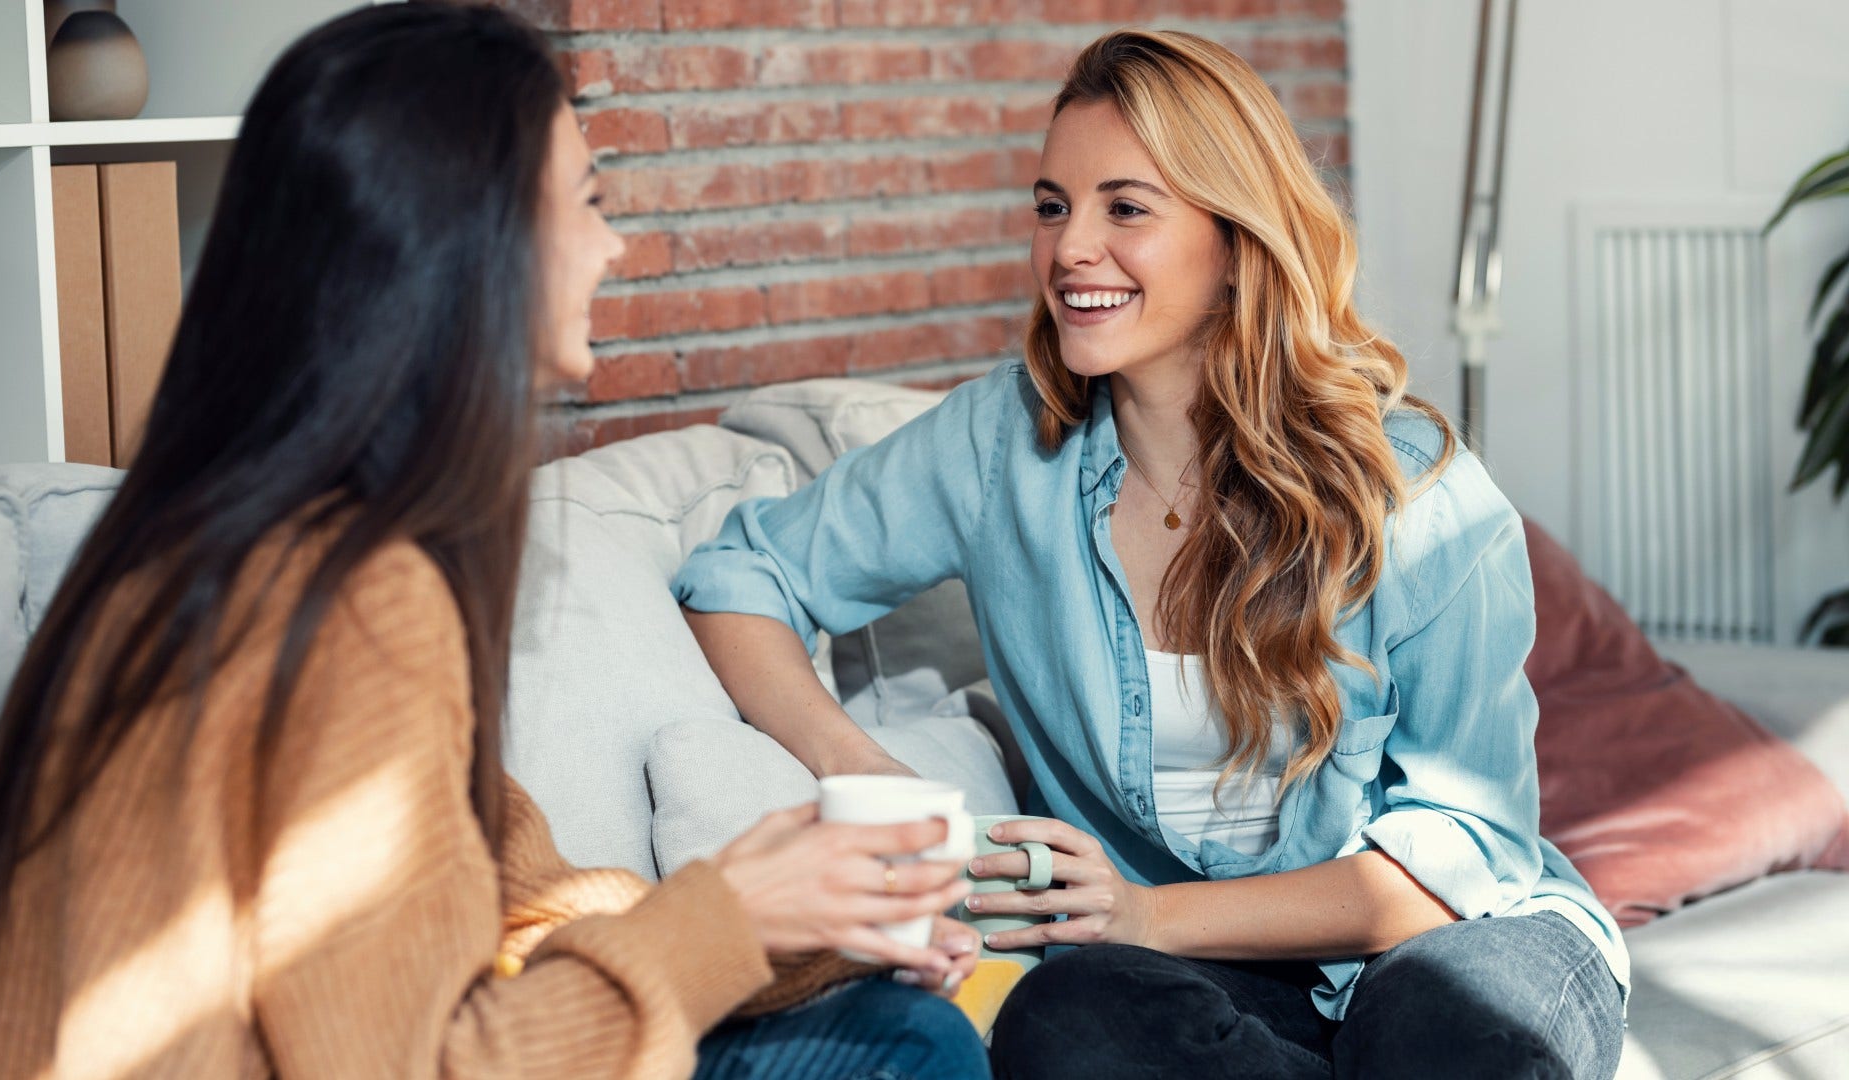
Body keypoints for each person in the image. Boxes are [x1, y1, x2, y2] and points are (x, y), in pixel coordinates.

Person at [0, 5, 989, 1078]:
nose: (614, 247)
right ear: (472, 242)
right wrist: (730, 915)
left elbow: (520, 904)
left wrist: (791, 928)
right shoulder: (347, 598)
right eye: (589, 202)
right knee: (908, 1050)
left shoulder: (259, 542)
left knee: (892, 1028)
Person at [674, 28, 1629, 1080]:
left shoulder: (1416, 493)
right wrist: (871, 773)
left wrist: (1146, 913)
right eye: (1052, 206)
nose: (1070, 248)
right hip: (1207, 973)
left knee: (1448, 1032)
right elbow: (739, 578)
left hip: (1454, 935)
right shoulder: (998, 447)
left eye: (1125, 208)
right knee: (1067, 1022)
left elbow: (1465, 857)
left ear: (1235, 239)